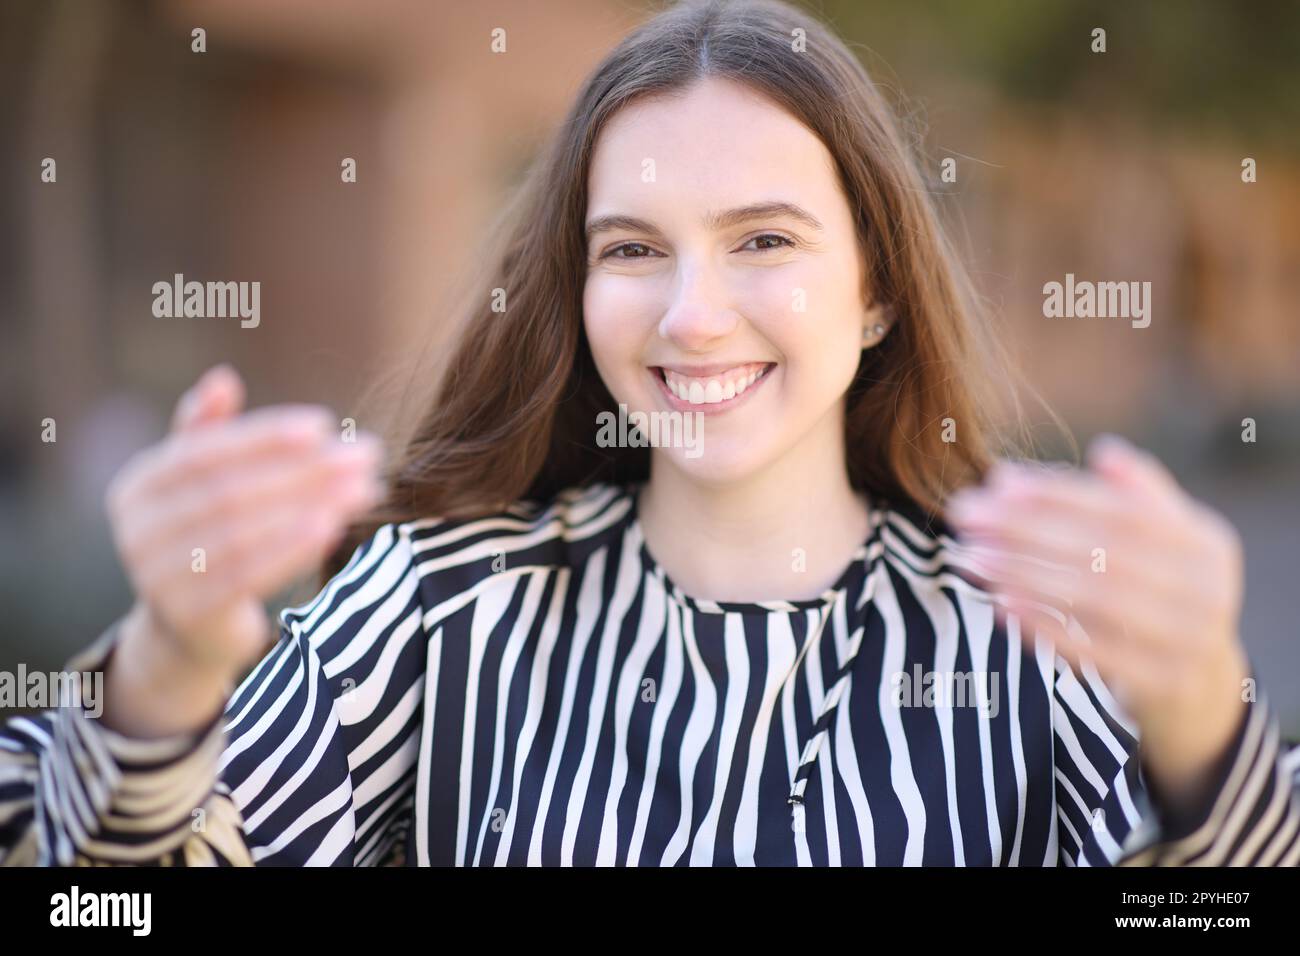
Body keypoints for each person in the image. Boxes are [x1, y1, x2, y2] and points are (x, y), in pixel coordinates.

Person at [2, 0, 1296, 867]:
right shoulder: (440, 607)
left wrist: (1192, 713)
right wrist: (166, 671)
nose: (691, 315)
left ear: (879, 287)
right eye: (632, 250)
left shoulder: (1029, 633)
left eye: (764, 242)